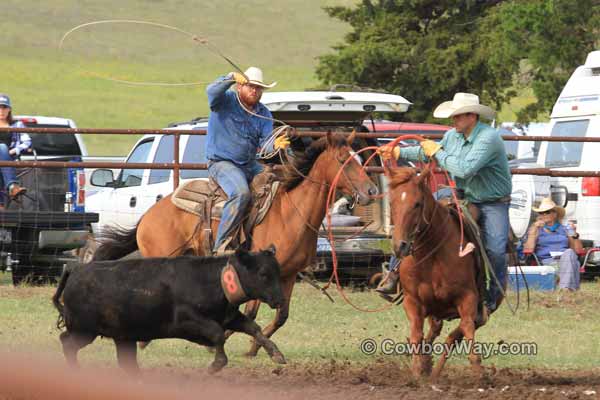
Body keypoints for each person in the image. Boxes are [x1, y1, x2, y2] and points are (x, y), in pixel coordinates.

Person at [377, 93, 512, 320]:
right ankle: (393, 273)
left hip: (491, 202)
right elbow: (427, 151)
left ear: (472, 116)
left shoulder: (489, 138)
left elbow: (463, 169)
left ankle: (490, 297)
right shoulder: (452, 136)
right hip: (460, 194)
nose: (453, 121)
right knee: (415, 211)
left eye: (457, 116)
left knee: (497, 250)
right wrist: (399, 152)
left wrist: (437, 152)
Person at [206, 67, 290, 253]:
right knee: (241, 193)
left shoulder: (263, 113)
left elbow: (266, 145)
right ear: (239, 87)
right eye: (251, 86)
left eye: (258, 88)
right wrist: (228, 78)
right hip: (221, 162)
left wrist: (275, 145)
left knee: (284, 183)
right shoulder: (224, 101)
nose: (255, 90)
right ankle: (221, 245)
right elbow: (211, 91)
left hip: (250, 164)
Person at [523, 198, 582, 291]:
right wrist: (533, 230)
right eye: (541, 213)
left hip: (566, 259)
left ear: (555, 214)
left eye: (547, 212)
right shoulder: (536, 229)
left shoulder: (565, 228)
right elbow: (528, 249)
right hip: (548, 261)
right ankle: (568, 289)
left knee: (570, 253)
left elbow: (578, 250)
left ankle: (565, 288)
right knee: (572, 262)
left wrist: (574, 234)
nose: (543, 215)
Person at [0, 94, 30, 205]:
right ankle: (12, 186)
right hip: (7, 163)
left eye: (4, 107)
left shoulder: (17, 124)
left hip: (10, 158)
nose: (1, 111)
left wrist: (14, 150)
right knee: (2, 147)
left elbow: (27, 141)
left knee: (2, 151)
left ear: (9, 110)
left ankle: (2, 204)